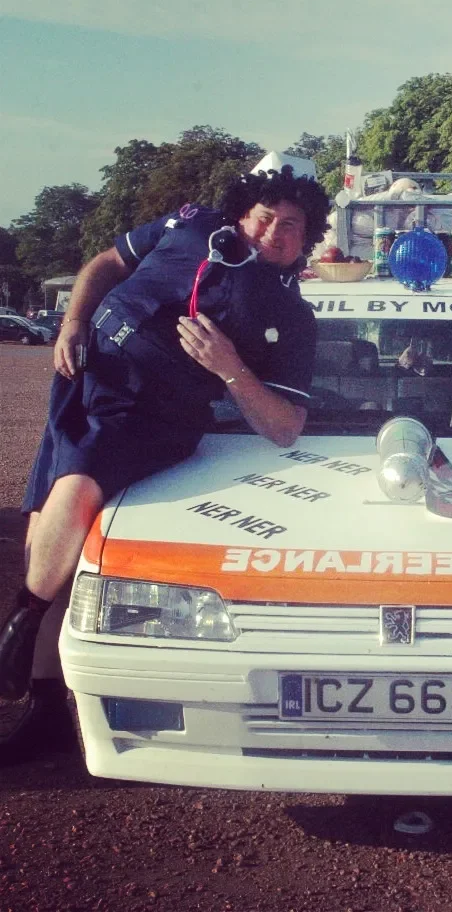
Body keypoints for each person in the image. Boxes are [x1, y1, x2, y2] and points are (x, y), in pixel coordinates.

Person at [0, 162, 331, 763]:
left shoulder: (293, 318)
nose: (273, 234)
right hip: (84, 381)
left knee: (73, 493)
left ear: (305, 240)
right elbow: (105, 264)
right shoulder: (189, 224)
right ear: (241, 212)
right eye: (265, 217)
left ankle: (19, 629)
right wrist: (73, 321)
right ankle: (46, 706)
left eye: (291, 226)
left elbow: (285, 428)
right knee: (48, 528)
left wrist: (230, 368)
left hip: (151, 419)